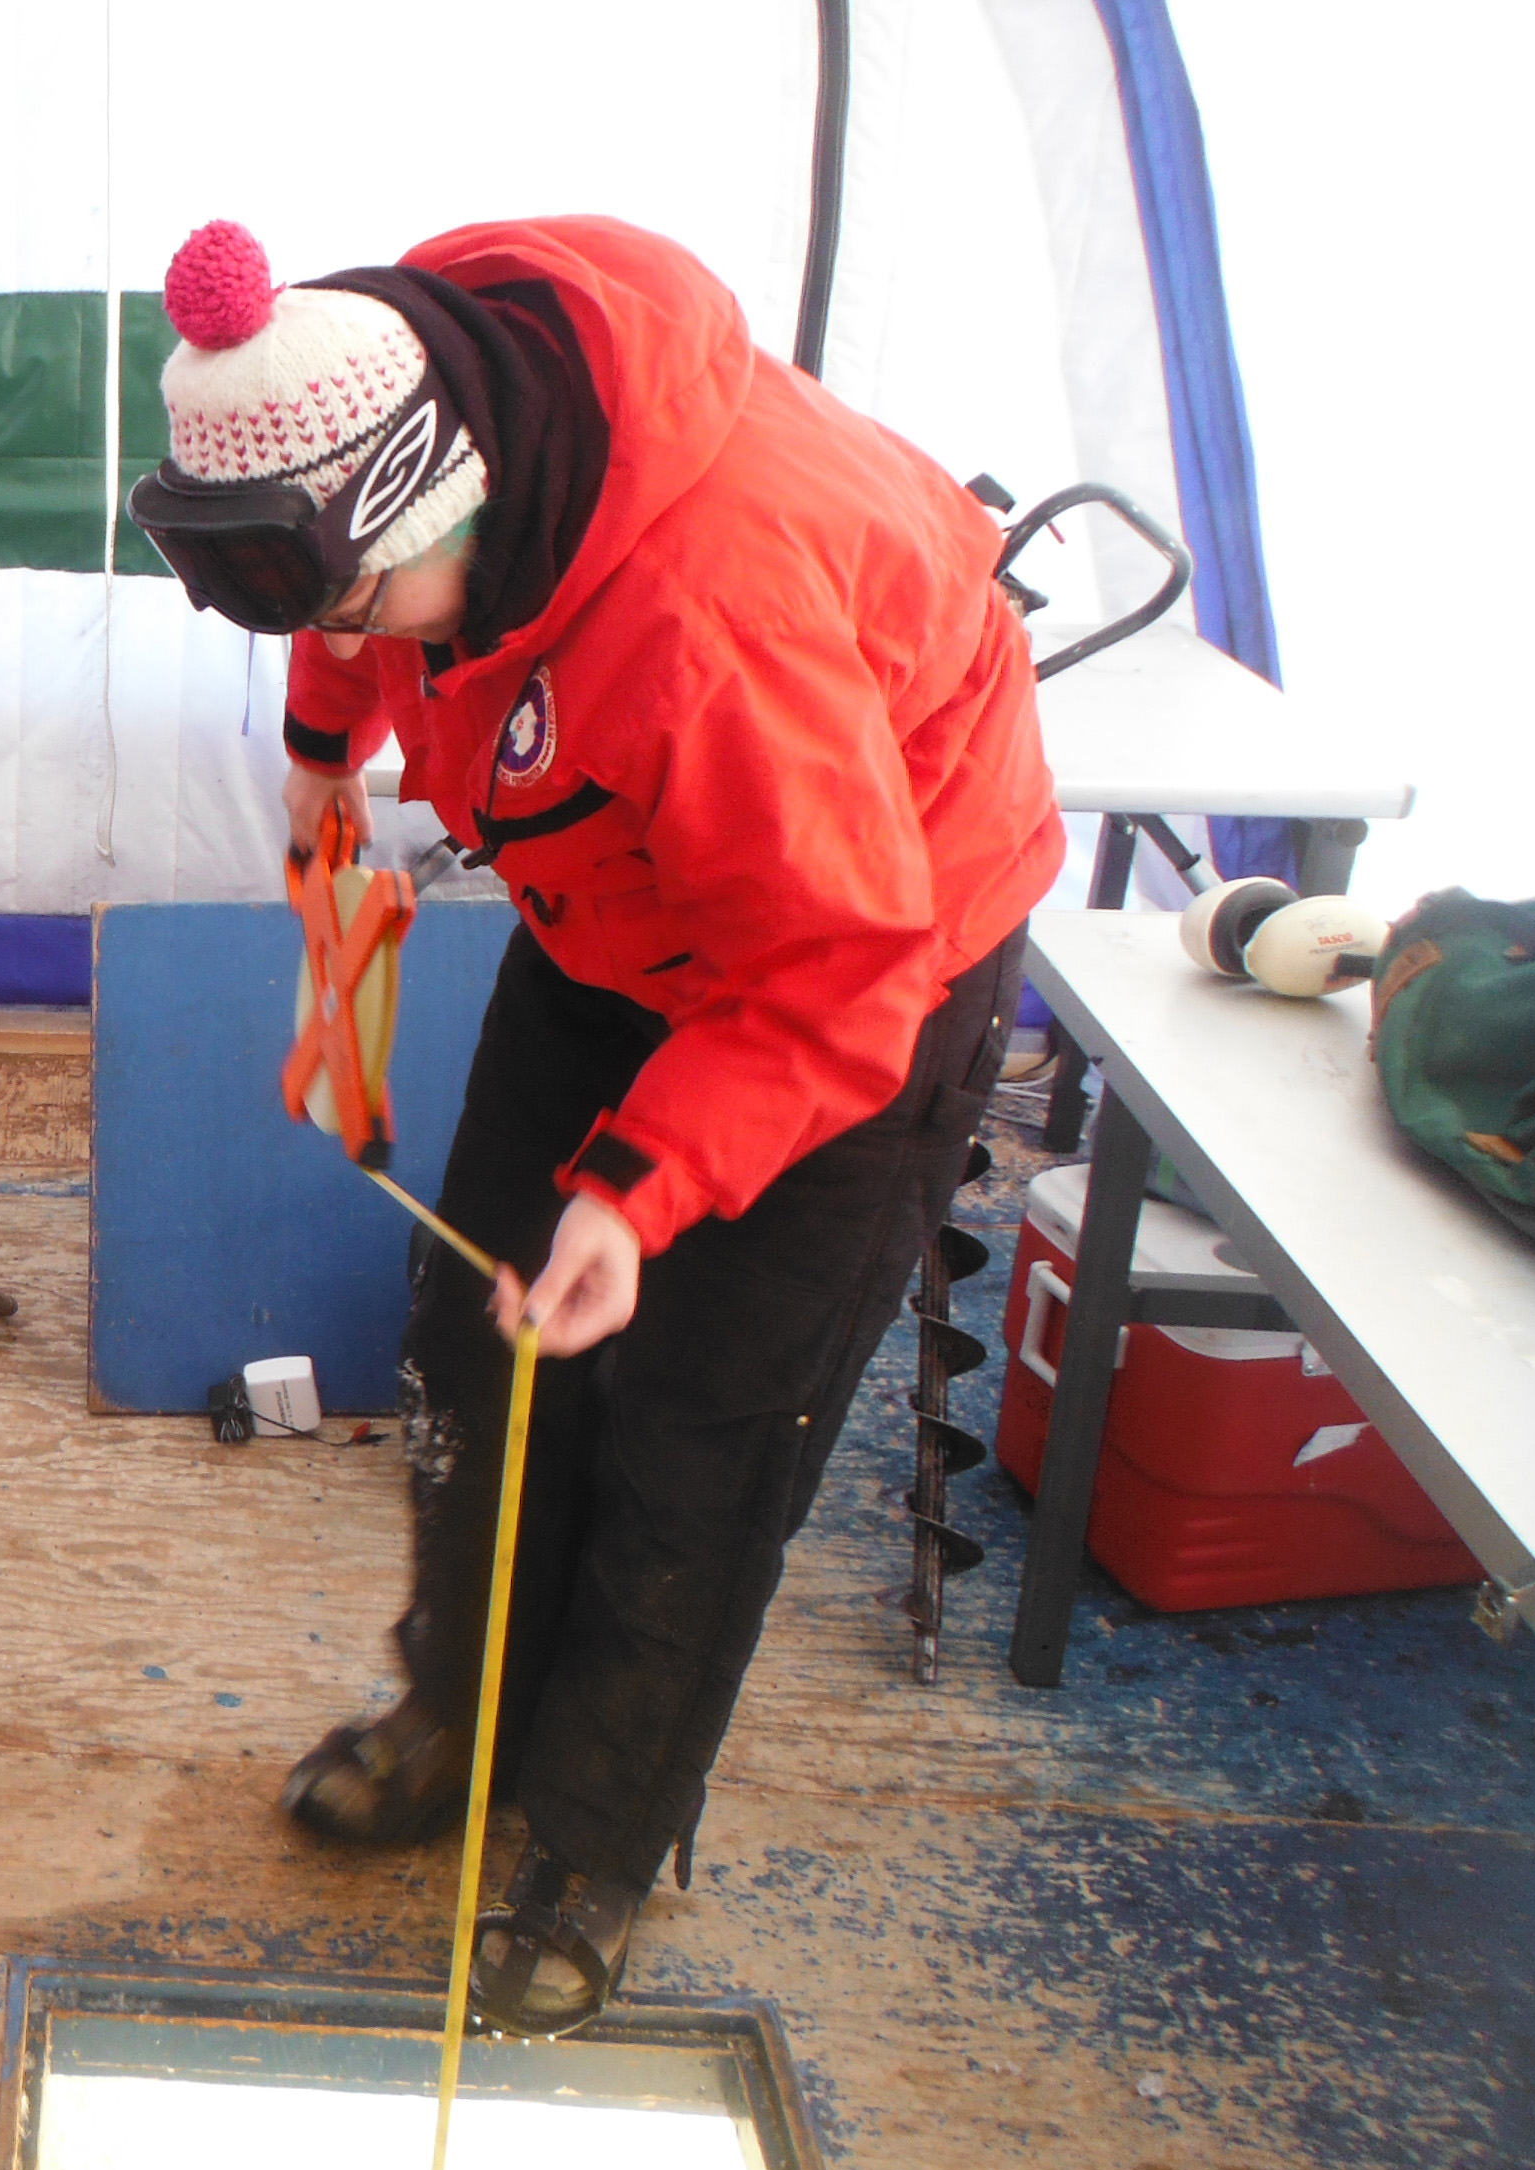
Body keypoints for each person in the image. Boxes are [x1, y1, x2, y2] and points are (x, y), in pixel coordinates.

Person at [129, 217, 1061, 2033]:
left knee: (705, 1421)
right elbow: (339, 608)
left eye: (350, 607)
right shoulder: (399, 391)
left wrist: (639, 1190)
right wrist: (328, 754)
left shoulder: (718, 617)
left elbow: (832, 966)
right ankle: (458, 1715)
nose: (335, 642)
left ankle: (596, 1836)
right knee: (476, 1343)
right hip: (612, 895)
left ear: (443, 516)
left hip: (859, 948)